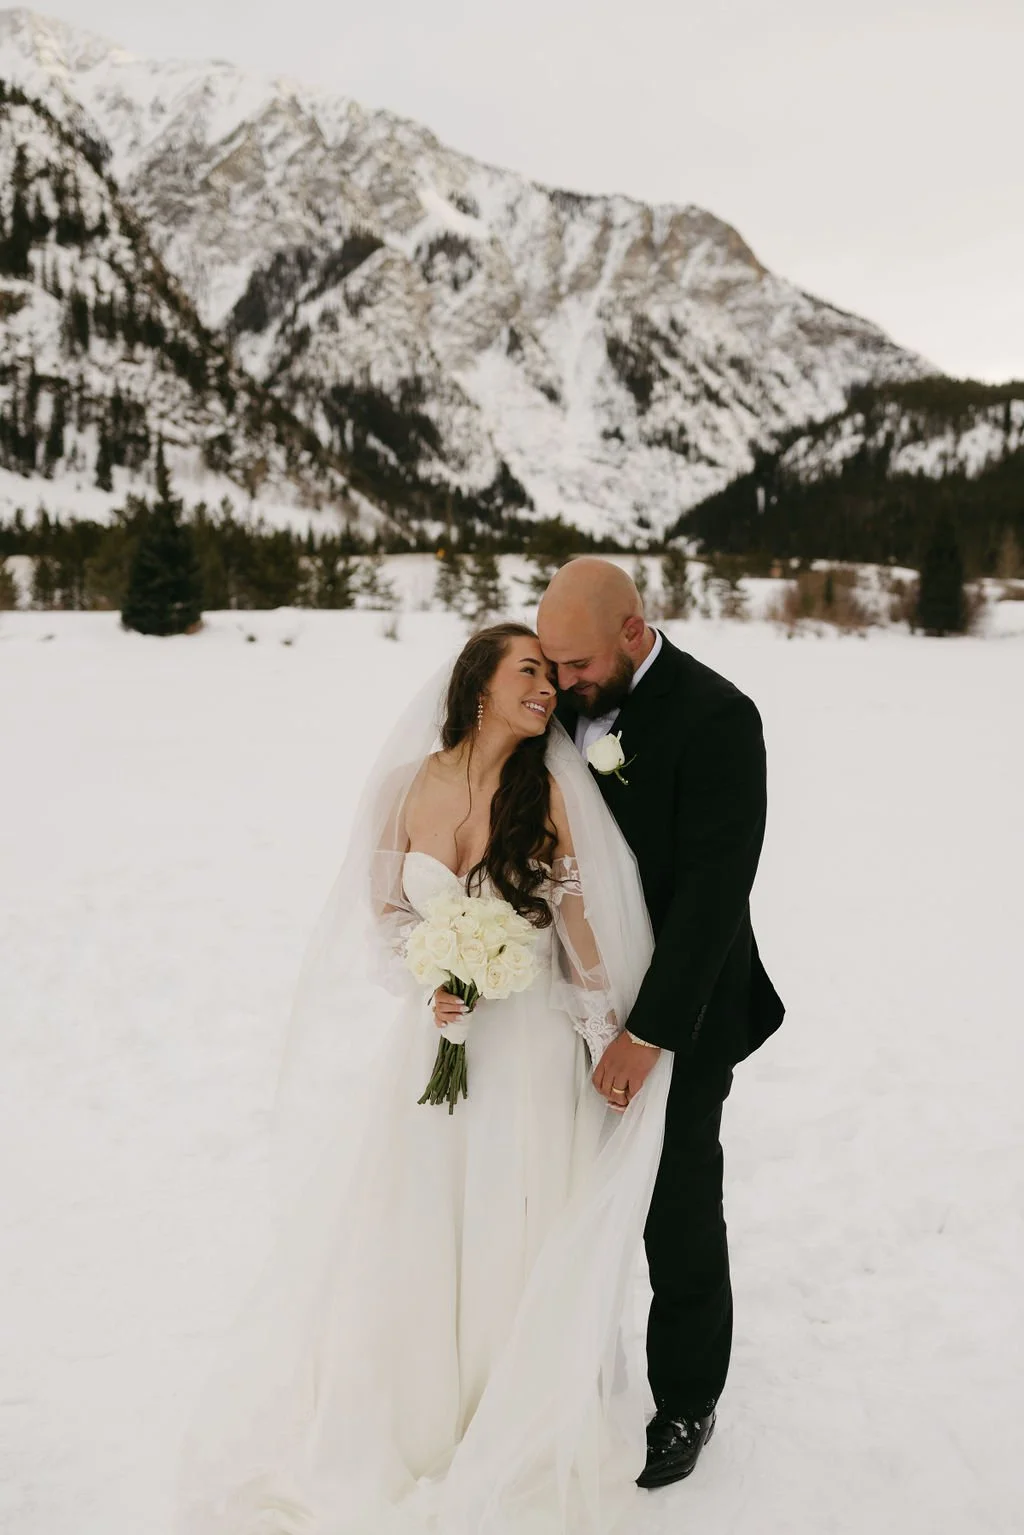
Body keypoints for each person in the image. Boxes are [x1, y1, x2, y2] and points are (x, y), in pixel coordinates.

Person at [177, 623, 675, 1535]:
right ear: (478, 683)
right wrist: (433, 976)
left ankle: (501, 1402)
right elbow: (386, 913)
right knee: (422, 1212)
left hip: (524, 1045)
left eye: (552, 678)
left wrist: (611, 1037)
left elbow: (576, 929)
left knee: (511, 1210)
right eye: (529, 671)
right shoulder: (404, 788)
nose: (547, 690)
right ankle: (412, 1407)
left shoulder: (550, 791)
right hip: (435, 1043)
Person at [537, 558, 785, 1490]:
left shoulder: (720, 718)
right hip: (568, 1000)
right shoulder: (553, 700)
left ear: (635, 631)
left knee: (675, 1205)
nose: (560, 684)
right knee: (559, 1185)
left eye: (576, 664)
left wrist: (649, 1035)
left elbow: (715, 899)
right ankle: (563, 1367)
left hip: (683, 1010)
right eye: (551, 665)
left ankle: (686, 1393)